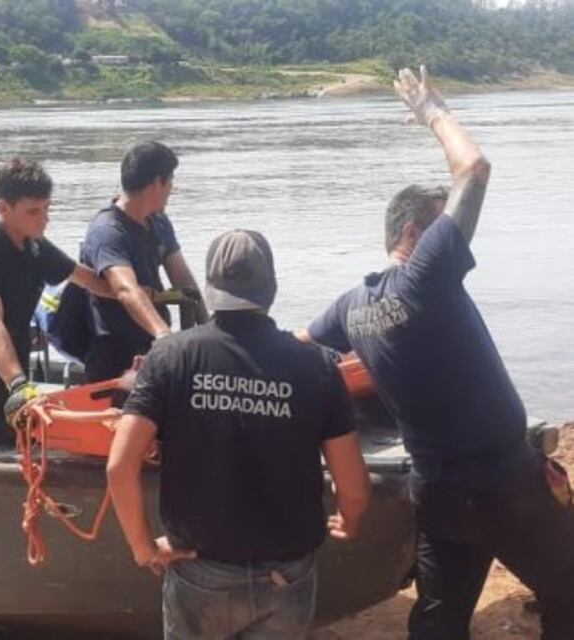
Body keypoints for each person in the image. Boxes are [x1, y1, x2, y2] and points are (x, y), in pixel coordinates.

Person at [298, 66, 574, 639]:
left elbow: (295, 345)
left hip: (438, 490)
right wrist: (431, 112)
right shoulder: (426, 277)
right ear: (418, 234)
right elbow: (473, 168)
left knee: (440, 617)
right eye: (443, 225)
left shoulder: (353, 305)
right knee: (568, 593)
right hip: (502, 481)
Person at [108, 229, 371, 639]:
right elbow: (352, 486)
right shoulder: (317, 367)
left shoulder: (171, 357)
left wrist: (144, 548)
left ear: (210, 288)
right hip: (286, 572)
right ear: (273, 288)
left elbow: (120, 465)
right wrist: (351, 520)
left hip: (199, 570)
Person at [0, 158, 112, 445]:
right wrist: (18, 384)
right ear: (3, 208)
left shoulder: (33, 244)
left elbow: (85, 278)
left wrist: (137, 292)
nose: (44, 218)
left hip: (17, 368)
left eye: (47, 208)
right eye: (33, 211)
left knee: (31, 451)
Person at [80, 141, 208, 382]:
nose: (173, 189)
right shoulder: (107, 231)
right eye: (170, 181)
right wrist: (164, 334)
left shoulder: (159, 222)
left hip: (154, 354)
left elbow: (184, 281)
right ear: (157, 183)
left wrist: (209, 332)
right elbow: (126, 289)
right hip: (114, 361)